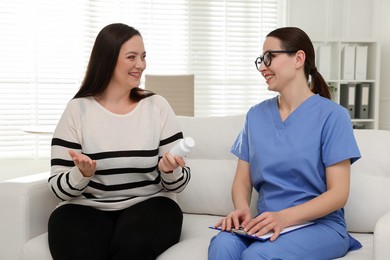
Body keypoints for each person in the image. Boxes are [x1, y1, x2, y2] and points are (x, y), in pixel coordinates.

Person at [208, 27, 362, 260]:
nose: (262, 67)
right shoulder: (255, 116)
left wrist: (284, 217)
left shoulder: (333, 116)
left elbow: (338, 194)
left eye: (270, 57)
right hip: (266, 224)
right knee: (223, 245)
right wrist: (242, 209)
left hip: (319, 226)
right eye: (261, 59)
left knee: (256, 256)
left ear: (298, 59)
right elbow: (242, 180)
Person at [48, 23, 191, 260]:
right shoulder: (77, 110)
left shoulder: (157, 106)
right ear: (108, 59)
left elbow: (180, 183)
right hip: (84, 209)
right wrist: (80, 175)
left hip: (150, 205)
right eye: (132, 57)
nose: (141, 65)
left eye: (143, 57)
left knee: (134, 247)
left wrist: (170, 172)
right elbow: (56, 187)